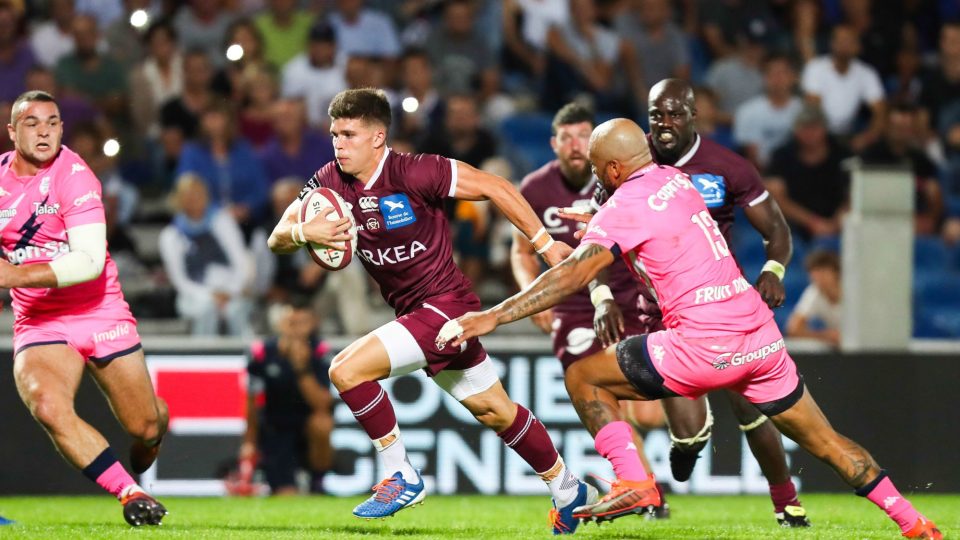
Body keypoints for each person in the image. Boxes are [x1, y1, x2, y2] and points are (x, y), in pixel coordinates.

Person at [437, 118, 943, 540]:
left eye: (598, 171)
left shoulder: (623, 205)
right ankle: (914, 522)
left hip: (703, 342)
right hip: (760, 335)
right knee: (828, 442)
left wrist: (494, 315)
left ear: (613, 168)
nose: (596, 178)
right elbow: (652, 216)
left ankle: (634, 481)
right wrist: (598, 213)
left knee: (583, 378)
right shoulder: (675, 180)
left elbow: (571, 273)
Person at [267, 88, 594, 534]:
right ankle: (568, 488)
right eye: (333, 135)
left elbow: (496, 186)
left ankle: (399, 473)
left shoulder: (418, 170)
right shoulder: (330, 180)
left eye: (349, 134)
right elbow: (277, 235)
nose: (338, 144)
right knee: (495, 410)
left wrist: (542, 243)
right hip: (412, 312)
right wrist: (307, 228)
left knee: (345, 370)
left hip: (446, 305)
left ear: (378, 137)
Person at [632, 78, 807, 527]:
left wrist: (773, 269)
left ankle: (786, 502)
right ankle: (685, 446)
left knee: (752, 409)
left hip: (721, 306)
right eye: (656, 115)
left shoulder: (728, 166)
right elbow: (604, 232)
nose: (664, 123)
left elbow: (778, 231)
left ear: (694, 116)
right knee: (691, 436)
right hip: (661, 311)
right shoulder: (631, 160)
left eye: (674, 113)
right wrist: (603, 296)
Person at [1, 91, 168, 526]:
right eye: (32, 122)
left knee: (145, 428)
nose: (44, 131)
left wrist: (13, 275)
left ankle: (156, 420)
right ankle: (129, 493)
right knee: (47, 405)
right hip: (40, 320)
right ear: (12, 131)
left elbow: (89, 262)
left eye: (53, 123)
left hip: (99, 312)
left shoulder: (74, 175)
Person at [512, 102, 669, 516]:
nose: (575, 145)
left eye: (583, 135)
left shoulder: (616, 179)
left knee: (650, 415)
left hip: (628, 298)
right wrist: (531, 297)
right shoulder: (535, 188)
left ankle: (644, 478)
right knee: (594, 386)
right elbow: (519, 252)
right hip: (572, 306)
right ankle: (645, 492)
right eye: (566, 137)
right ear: (554, 143)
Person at [240, 297, 334, 495]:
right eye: (292, 323)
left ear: (313, 324)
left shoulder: (320, 352)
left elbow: (322, 404)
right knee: (286, 495)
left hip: (306, 426)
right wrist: (249, 442)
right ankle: (281, 477)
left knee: (322, 423)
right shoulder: (262, 353)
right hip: (276, 428)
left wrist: (302, 369)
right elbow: (252, 400)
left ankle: (317, 480)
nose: (297, 330)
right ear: (282, 323)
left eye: (303, 323)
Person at [786, 250, 841, 347]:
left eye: (823, 270)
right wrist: (827, 335)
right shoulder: (814, 292)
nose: (818, 277)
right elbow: (793, 329)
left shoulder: (854, 291)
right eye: (814, 272)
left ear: (835, 272)